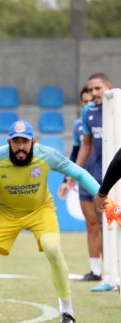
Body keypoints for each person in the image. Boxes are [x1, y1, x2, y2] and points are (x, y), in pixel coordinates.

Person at [0, 120, 101, 323]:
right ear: (9, 142)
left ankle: (68, 312)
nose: (21, 146)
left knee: (53, 248)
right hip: (4, 213)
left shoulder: (47, 155)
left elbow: (80, 174)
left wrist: (104, 197)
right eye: (16, 141)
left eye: (25, 142)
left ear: (33, 142)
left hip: (40, 211)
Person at [71, 73, 114, 291]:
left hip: (116, 175)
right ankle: (101, 273)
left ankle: (112, 274)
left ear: (109, 86)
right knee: (95, 224)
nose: (95, 93)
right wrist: (74, 172)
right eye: (91, 89)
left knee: (111, 225)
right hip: (95, 176)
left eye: (98, 88)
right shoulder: (88, 113)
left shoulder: (117, 108)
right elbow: (85, 145)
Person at [59, 85, 101, 282]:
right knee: (92, 224)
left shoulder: (109, 120)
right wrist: (66, 179)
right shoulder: (79, 125)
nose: (88, 104)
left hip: (104, 179)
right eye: (84, 101)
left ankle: (112, 271)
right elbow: (75, 153)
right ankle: (96, 270)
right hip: (85, 179)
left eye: (90, 101)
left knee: (107, 225)